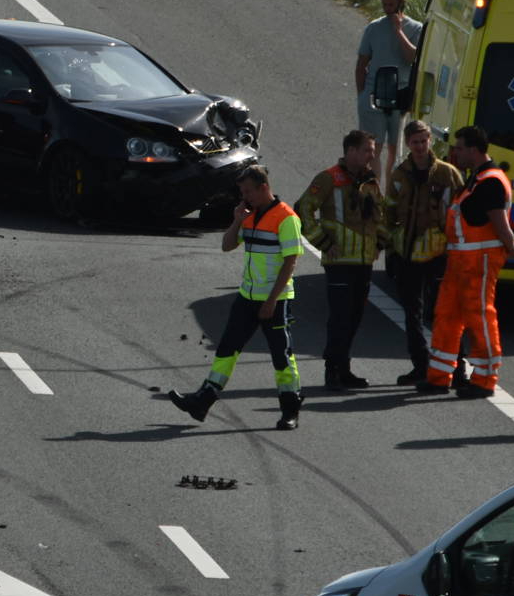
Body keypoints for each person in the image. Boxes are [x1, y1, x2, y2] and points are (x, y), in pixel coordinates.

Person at [167, 164, 304, 430]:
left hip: (275, 300)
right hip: (246, 297)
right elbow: (227, 245)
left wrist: (271, 301)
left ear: (264, 187)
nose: (244, 197)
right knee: (226, 350)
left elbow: (290, 263)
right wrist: (237, 220)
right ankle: (202, 401)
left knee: (282, 357)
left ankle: (290, 409)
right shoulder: (248, 216)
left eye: (248, 192)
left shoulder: (286, 218)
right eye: (242, 192)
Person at [419, 125, 514, 398]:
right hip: (460, 261)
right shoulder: (476, 178)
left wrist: (511, 244)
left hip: (479, 261)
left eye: (460, 148)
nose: (456, 153)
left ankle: (485, 380)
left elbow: (499, 223)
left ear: (474, 150)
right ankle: (439, 377)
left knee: (480, 317)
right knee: (447, 314)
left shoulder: (490, 181)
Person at [295, 130, 385, 391]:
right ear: (351, 151)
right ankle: (332, 370)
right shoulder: (328, 178)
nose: (371, 155)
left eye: (372, 151)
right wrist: (323, 243)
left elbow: (380, 215)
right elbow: (303, 209)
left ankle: (344, 369)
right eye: (367, 150)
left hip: (364, 262)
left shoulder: (370, 180)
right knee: (340, 319)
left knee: (355, 318)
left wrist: (380, 243)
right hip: (339, 263)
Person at [382, 120, 463, 387]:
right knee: (412, 314)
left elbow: (460, 213)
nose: (419, 147)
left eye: (423, 141)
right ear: (408, 143)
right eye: (414, 142)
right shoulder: (400, 175)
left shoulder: (448, 175)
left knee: (446, 313)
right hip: (408, 254)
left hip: (440, 255)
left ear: (430, 141)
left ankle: (457, 369)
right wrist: (391, 247)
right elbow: (389, 212)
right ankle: (421, 366)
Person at [355, 0, 422, 187]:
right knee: (372, 149)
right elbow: (361, 64)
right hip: (374, 95)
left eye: (391, 4)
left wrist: (398, 30)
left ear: (400, 3)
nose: (387, 9)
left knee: (395, 150)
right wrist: (362, 96)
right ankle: (374, 192)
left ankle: (391, 195)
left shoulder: (416, 28)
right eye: (384, 5)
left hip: (399, 95)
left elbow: (412, 57)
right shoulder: (373, 28)